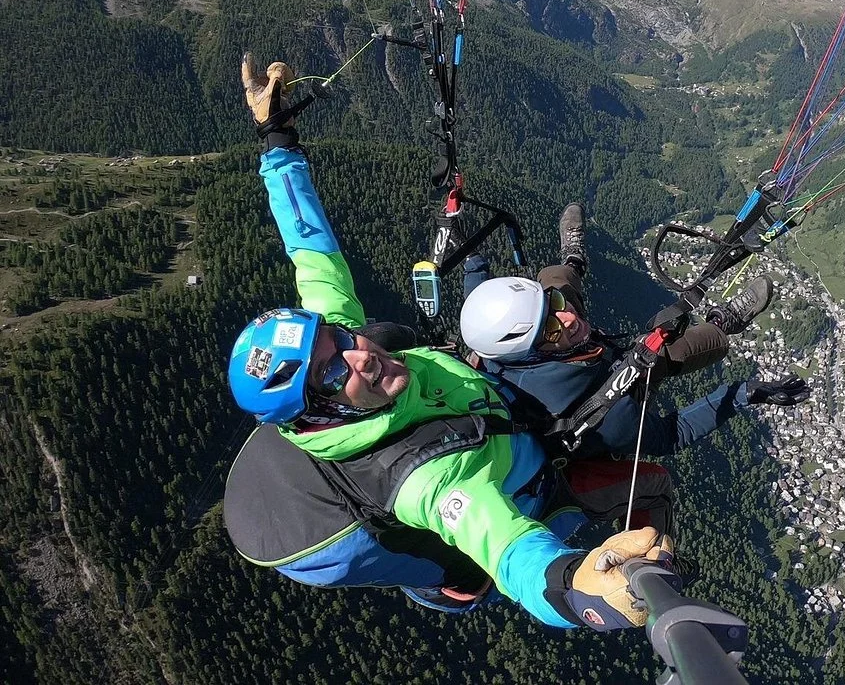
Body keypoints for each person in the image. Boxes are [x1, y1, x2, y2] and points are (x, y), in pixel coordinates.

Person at [223, 55, 674, 630]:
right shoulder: (425, 480)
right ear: (319, 416)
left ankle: (573, 265)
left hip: (490, 414)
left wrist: (277, 143)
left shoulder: (340, 345)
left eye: (338, 337)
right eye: (334, 375)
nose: (361, 355)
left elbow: (312, 254)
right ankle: (659, 571)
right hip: (537, 486)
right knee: (650, 479)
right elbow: (507, 548)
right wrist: (581, 590)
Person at [460, 202, 812, 460]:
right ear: (531, 355)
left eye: (554, 307)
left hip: (573, 363)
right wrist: (740, 394)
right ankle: (724, 323)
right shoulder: (608, 420)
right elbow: (673, 434)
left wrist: (472, 261)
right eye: (551, 328)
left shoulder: (495, 346)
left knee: (554, 283)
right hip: (609, 389)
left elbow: (481, 306)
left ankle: (573, 260)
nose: (567, 317)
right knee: (670, 353)